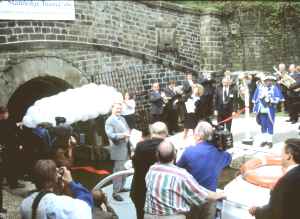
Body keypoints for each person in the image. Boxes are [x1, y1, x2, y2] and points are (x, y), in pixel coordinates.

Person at [144, 140, 226, 219]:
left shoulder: (152, 170)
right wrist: (220, 195)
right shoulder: (181, 175)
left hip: (149, 216)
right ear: (175, 154)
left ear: (157, 155)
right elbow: (201, 195)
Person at [177, 121, 232, 219]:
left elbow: (178, 170)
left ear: (198, 136)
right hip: (210, 199)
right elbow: (228, 158)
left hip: (192, 198)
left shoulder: (189, 152)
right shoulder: (219, 154)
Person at [20, 159, 93, 219]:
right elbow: (87, 203)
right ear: (55, 179)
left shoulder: (25, 204)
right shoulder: (62, 204)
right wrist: (71, 183)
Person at [249, 138, 300, 219]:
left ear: (289, 156)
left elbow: (274, 213)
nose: (280, 156)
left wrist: (256, 211)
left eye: (282, 153)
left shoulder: (287, 181)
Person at [130, 122, 168, 219]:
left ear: (152, 132)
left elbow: (135, 164)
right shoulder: (168, 148)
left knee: (140, 215)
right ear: (166, 132)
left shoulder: (140, 146)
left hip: (140, 190)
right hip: (160, 192)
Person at [105, 101, 130, 201]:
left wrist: (129, 133)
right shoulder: (109, 121)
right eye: (117, 108)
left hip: (125, 147)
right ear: (112, 108)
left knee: (125, 169)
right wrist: (123, 135)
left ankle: (121, 187)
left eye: (120, 108)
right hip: (118, 149)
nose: (119, 110)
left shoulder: (122, 118)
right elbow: (110, 135)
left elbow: (127, 129)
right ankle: (115, 192)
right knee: (118, 171)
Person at [252, 75, 284, 147]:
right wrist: (256, 108)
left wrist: (270, 99)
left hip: (270, 109)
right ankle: (264, 140)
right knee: (263, 124)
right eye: (266, 80)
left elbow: (278, 98)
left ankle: (269, 141)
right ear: (264, 81)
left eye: (270, 80)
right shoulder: (259, 88)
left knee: (270, 124)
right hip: (262, 109)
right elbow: (255, 98)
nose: (268, 82)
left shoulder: (274, 88)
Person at [0, 106, 24, 189]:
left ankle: (7, 181)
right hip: (9, 148)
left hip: (5, 147)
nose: (8, 114)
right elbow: (8, 132)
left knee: (5, 165)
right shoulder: (4, 123)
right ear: (2, 114)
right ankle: (13, 184)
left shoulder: (4, 122)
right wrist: (18, 125)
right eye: (6, 113)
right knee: (12, 165)